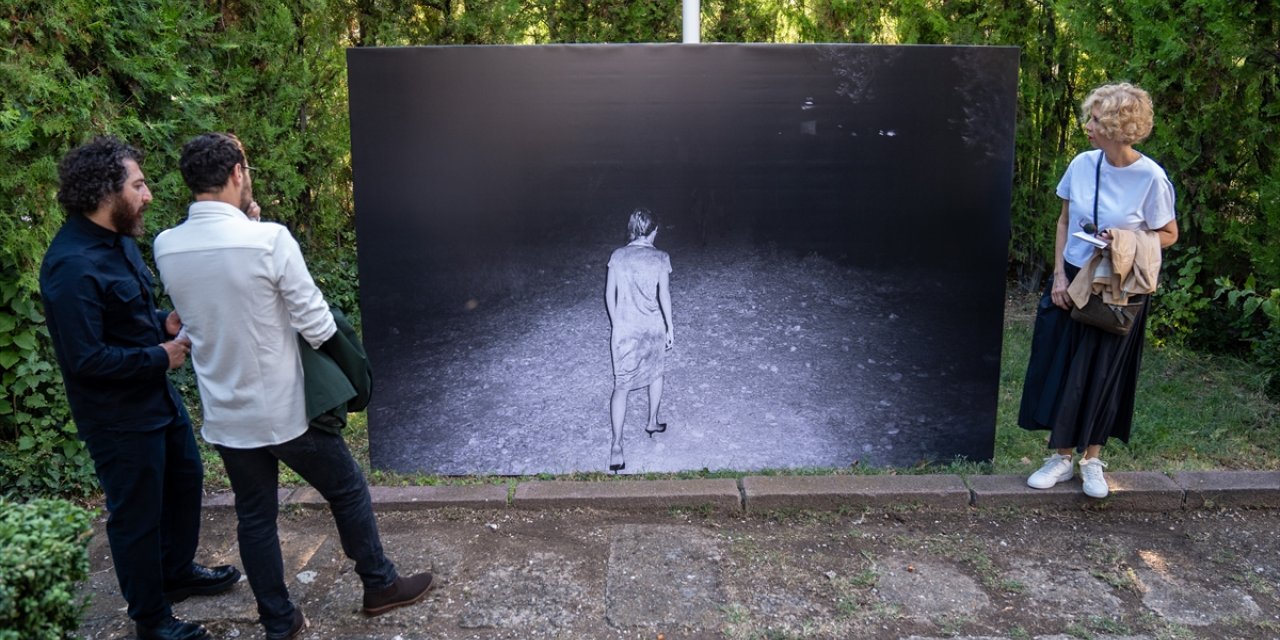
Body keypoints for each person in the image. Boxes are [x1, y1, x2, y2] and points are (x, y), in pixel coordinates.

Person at [153, 133, 434, 640]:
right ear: (238, 172)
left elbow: (221, 298)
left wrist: (251, 226)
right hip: (285, 408)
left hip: (226, 413)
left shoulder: (167, 245)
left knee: (254, 517)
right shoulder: (270, 240)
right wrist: (347, 368)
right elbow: (315, 321)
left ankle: (279, 620)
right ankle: (379, 584)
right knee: (347, 490)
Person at [39, 137, 240, 640]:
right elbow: (85, 358)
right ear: (105, 191)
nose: (148, 195)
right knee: (136, 515)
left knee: (185, 480)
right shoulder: (70, 266)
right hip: (117, 419)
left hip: (156, 401)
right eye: (138, 184)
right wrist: (160, 356)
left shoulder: (121, 242)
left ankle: (174, 573)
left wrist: (162, 323)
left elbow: (123, 320)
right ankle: (150, 619)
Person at [1018, 83, 1179, 498]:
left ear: (1116, 127)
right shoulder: (1082, 164)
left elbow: (1168, 234)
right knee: (1062, 366)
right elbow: (1063, 221)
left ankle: (1092, 460)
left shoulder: (1151, 178)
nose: (1087, 126)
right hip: (1075, 276)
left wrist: (1125, 238)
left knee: (1102, 371)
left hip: (1119, 286)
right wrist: (1058, 277)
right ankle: (1060, 457)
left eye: (1094, 119)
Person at [604, 207, 674, 472]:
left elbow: (609, 295)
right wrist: (670, 326)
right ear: (653, 231)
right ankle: (652, 421)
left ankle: (616, 447)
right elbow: (664, 296)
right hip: (652, 328)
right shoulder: (660, 257)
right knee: (656, 373)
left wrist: (617, 322)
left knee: (621, 385)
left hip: (625, 330)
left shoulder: (618, 256)